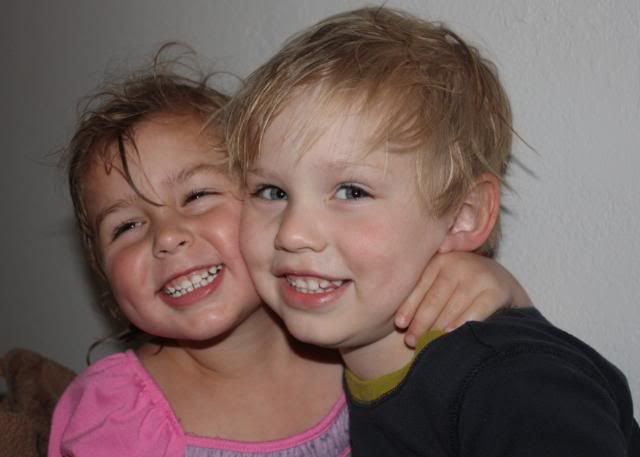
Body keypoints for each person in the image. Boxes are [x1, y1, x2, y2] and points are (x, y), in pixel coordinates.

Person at [48, 52, 531, 457]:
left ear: (267, 201)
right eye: (126, 226)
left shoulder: (351, 335)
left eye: (197, 196)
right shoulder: (111, 415)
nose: (167, 236)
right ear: (102, 271)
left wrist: (503, 290)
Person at [226, 6, 640, 456]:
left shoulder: (511, 380)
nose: (293, 233)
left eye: (351, 191)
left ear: (463, 216)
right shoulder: (336, 361)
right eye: (272, 192)